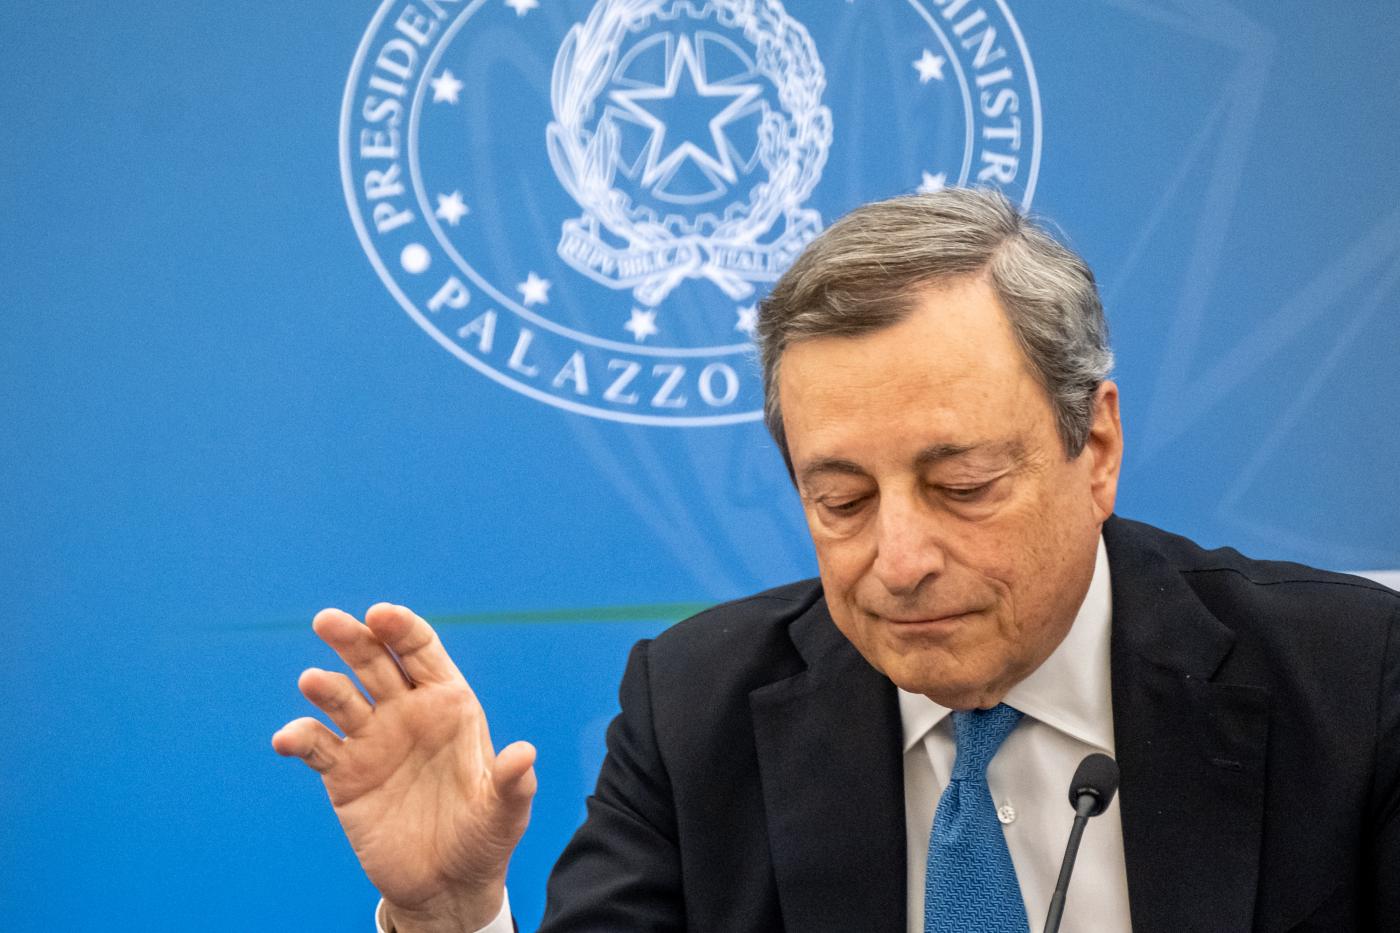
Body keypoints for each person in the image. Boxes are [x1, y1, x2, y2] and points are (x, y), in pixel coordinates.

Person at [273, 187, 1400, 932]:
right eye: (842, 499)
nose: (897, 561)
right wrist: (453, 914)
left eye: (963, 485)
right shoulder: (695, 711)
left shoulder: (1353, 682)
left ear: (1094, 447)